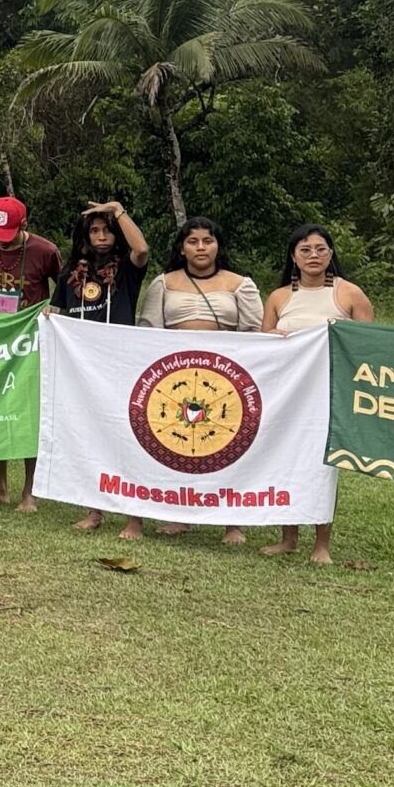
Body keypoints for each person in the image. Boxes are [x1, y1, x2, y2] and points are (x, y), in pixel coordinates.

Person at [130, 218, 265, 544]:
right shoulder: (163, 283)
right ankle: (178, 515)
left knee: (227, 446)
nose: (201, 247)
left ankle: (232, 521)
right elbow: (149, 331)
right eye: (193, 242)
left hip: (226, 380)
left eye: (208, 240)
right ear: (182, 248)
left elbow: (255, 333)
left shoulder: (240, 284)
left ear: (218, 245)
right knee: (174, 446)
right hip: (172, 377)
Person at [259, 224, 376, 564]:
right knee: (284, 459)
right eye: (305, 250)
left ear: (331, 253)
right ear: (293, 257)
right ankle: (288, 537)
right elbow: (263, 342)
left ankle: (321, 543)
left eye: (320, 249)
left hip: (330, 392)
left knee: (324, 466)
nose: (313, 255)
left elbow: (367, 346)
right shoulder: (280, 297)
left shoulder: (350, 294)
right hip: (288, 393)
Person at [54, 201, 153, 532]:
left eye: (107, 230)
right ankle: (94, 510)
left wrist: (119, 211)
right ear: (84, 237)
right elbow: (58, 315)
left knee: (126, 438)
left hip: (122, 365)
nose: (101, 236)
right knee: (89, 438)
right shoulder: (70, 274)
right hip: (83, 370)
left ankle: (134, 517)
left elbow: (141, 248)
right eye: (94, 230)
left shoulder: (126, 267)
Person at [0, 197, 60, 513]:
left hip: (29, 343)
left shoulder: (45, 251)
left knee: (26, 414)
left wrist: (54, 308)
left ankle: (29, 492)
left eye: (7, 236)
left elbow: (63, 288)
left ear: (24, 226)